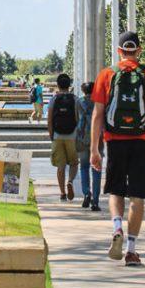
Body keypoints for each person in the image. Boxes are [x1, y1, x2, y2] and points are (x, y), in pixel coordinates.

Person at [90, 31, 145, 267]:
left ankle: (116, 227)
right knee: (137, 196)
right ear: (139, 50)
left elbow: (97, 115)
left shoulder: (107, 74)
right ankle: (132, 249)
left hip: (114, 140)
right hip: (141, 140)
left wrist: (95, 149)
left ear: (119, 51)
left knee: (115, 190)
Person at [48, 73, 79, 202]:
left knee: (60, 166)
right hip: (72, 135)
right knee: (74, 163)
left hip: (57, 135)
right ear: (69, 85)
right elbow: (78, 119)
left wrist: (52, 135)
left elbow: (49, 120)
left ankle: (62, 193)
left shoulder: (53, 100)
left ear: (58, 85)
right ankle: (70, 181)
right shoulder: (75, 99)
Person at [75, 81, 102, 211]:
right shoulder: (99, 102)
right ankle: (95, 200)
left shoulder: (78, 102)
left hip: (82, 138)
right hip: (97, 139)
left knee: (84, 167)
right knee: (96, 169)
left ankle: (86, 193)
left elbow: (76, 119)